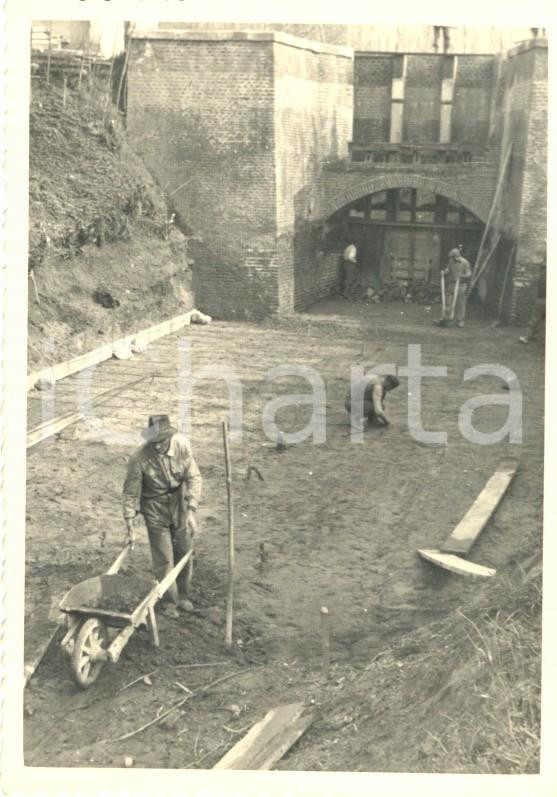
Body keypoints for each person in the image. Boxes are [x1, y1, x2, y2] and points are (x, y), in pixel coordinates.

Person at [123, 415, 202, 619]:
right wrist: (130, 526)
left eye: (161, 442)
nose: (157, 447)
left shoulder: (182, 447)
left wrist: (191, 510)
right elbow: (130, 493)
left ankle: (183, 595)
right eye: (153, 443)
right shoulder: (138, 458)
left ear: (169, 438)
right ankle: (168, 601)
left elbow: (193, 477)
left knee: (184, 551)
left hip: (179, 504)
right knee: (164, 558)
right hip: (154, 507)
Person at [435, 248, 472, 328]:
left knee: (460, 303)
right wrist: (444, 272)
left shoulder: (465, 262)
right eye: (451, 257)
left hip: (461, 285)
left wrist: (462, 276)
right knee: (449, 302)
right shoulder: (451, 262)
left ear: (456, 256)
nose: (451, 259)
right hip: (452, 284)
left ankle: (460, 321)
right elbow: (448, 269)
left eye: (453, 257)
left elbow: (469, 274)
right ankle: (445, 318)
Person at [519, 263, 546, 344]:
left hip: (541, 300)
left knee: (535, 319)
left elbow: (531, 283)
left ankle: (527, 337)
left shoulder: (541, 276)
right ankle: (534, 336)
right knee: (541, 319)